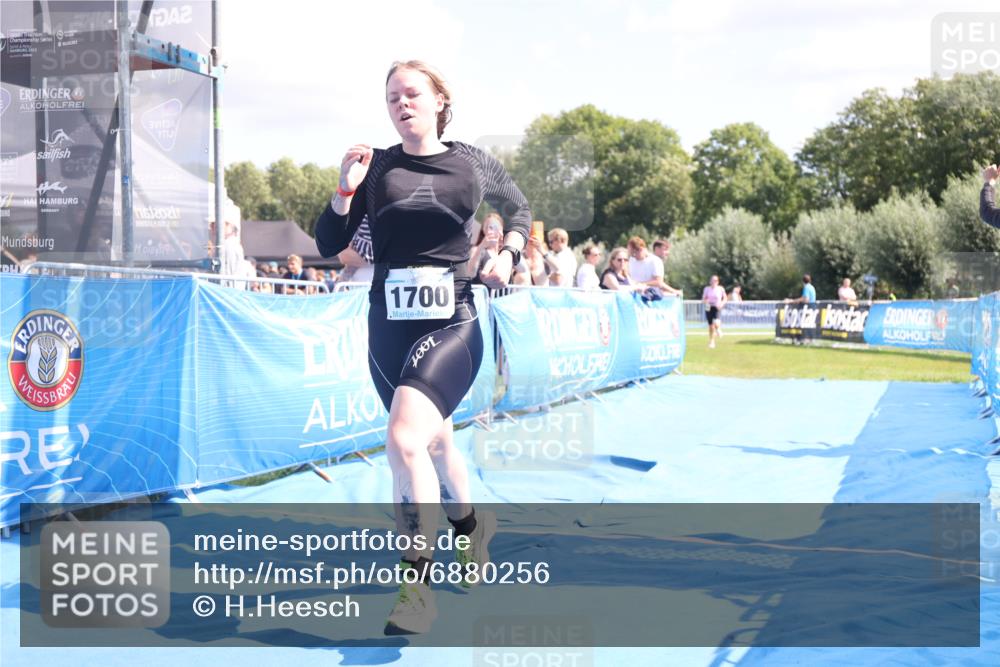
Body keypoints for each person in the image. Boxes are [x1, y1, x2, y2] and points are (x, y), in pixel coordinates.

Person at [314, 60, 529, 636]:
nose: (401, 103)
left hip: (453, 319)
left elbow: (520, 210)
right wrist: (343, 190)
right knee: (428, 448)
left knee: (402, 440)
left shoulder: (472, 161)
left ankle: (417, 586)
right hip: (388, 326)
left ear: (439, 100)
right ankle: (469, 527)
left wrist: (508, 252)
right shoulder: (378, 166)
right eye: (391, 98)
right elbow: (329, 241)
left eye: (412, 94)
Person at [702, 275, 727, 349]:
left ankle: (718, 329)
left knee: (716, 322)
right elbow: (703, 299)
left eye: (715, 281)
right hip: (708, 307)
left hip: (717, 306)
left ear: (718, 282)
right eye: (712, 280)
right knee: (710, 326)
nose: (714, 282)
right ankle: (712, 342)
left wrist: (721, 304)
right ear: (710, 281)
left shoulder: (720, 289)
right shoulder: (706, 289)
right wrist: (706, 301)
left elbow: (725, 298)